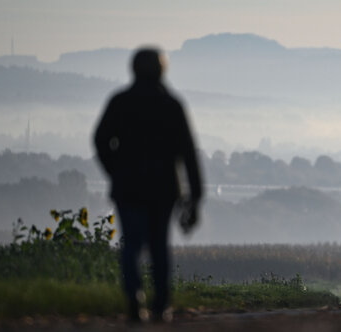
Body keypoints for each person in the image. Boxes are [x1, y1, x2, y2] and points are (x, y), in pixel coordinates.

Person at [93, 47, 203, 322]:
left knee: (132, 244)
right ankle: (161, 304)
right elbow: (188, 152)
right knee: (158, 246)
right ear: (161, 70)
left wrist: (115, 170)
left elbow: (100, 140)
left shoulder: (120, 101)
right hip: (164, 188)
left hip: (128, 187)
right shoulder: (171, 104)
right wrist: (195, 195)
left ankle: (135, 297)